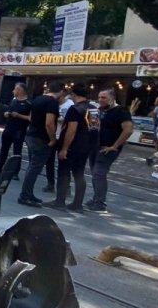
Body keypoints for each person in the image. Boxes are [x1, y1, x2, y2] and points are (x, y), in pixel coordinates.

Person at [17, 80, 63, 207]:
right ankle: (25, 195)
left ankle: (28, 193)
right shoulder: (52, 102)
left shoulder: (38, 99)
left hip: (31, 135)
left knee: (32, 166)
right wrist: (52, 139)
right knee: (35, 168)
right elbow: (49, 123)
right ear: (61, 92)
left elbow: (32, 117)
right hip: (41, 138)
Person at [88, 88, 133, 212]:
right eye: (99, 97)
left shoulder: (121, 111)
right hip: (95, 146)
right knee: (95, 174)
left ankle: (100, 202)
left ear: (112, 98)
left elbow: (128, 129)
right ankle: (96, 198)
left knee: (99, 173)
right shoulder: (100, 110)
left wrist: (115, 146)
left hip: (107, 148)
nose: (100, 100)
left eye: (103, 97)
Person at [48, 82, 91, 212]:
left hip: (73, 145)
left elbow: (71, 130)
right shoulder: (93, 108)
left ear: (73, 94)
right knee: (79, 173)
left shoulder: (75, 109)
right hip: (86, 145)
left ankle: (60, 201)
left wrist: (64, 148)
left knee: (64, 172)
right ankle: (77, 203)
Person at [0, 82, 31, 173]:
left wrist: (18, 115)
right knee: (4, 149)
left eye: (15, 89)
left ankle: (15, 172)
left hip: (19, 130)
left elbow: (30, 118)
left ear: (20, 90)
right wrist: (6, 113)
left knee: (17, 151)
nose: (13, 91)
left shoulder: (29, 103)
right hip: (8, 128)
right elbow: (8, 110)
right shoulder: (13, 100)